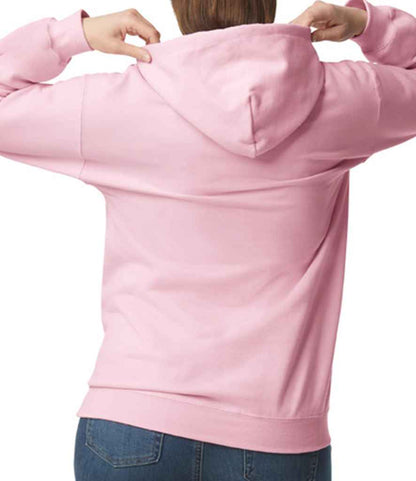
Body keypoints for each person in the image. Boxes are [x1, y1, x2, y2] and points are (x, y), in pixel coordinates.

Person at [0, 0, 415, 479]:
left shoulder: (119, 105)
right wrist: (368, 26)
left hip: (134, 423)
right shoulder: (342, 98)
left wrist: (73, 36)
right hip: (277, 439)